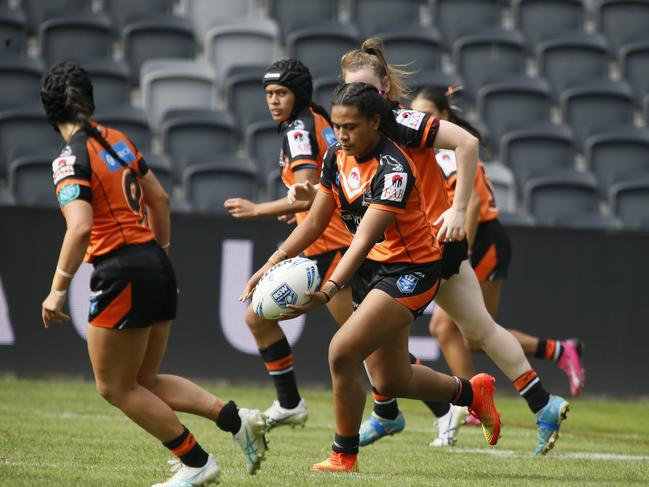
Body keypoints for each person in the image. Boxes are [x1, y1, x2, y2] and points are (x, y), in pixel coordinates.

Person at [293, 37, 570, 456]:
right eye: (355, 87)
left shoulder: (406, 121)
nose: (365, 95)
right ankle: (397, 410)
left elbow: (468, 144)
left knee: (471, 332)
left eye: (370, 87)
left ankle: (537, 403)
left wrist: (459, 209)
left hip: (430, 250)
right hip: (392, 254)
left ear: (384, 85)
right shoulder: (353, 134)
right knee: (391, 348)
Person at [242, 82, 502, 473]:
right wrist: (270, 263)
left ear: (376, 123)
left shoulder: (393, 169)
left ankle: (343, 454)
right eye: (338, 127)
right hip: (376, 269)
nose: (342, 135)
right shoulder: (336, 156)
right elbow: (315, 220)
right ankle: (471, 391)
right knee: (392, 379)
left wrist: (328, 290)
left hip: (411, 270)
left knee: (342, 351)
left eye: (351, 127)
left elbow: (362, 239)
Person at [39, 62, 268, 487]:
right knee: (144, 380)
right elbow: (159, 199)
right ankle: (236, 421)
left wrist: (57, 289)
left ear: (49, 112)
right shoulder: (116, 139)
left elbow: (81, 226)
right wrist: (159, 258)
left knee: (115, 387)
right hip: (154, 260)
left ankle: (197, 461)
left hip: (120, 266)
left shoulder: (68, 159)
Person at [411, 86, 586, 401]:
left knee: (463, 332)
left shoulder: (448, 150)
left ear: (445, 116)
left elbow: (474, 204)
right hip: (472, 237)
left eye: (429, 114)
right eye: (418, 114)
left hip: (479, 239)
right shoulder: (440, 147)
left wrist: (462, 252)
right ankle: (556, 352)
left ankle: (473, 400)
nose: (422, 120)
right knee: (469, 335)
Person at [224, 59, 353, 429]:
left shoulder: (298, 128)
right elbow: (317, 194)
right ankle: (289, 403)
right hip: (327, 243)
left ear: (299, 94)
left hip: (332, 247)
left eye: (281, 93)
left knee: (369, 344)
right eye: (269, 94)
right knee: (256, 317)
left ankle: (447, 406)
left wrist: (258, 209)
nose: (273, 101)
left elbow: (309, 193)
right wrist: (296, 210)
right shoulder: (318, 119)